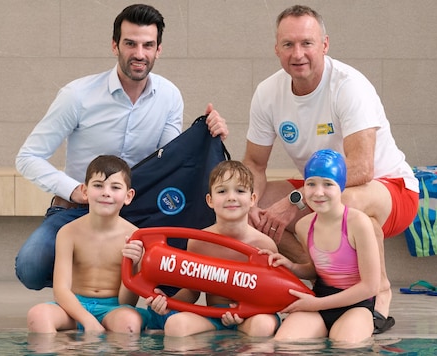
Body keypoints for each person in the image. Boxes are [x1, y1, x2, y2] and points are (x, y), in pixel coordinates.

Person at [15, 4, 228, 291]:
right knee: (31, 265)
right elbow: (28, 157)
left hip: (138, 211)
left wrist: (209, 136)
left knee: (174, 272)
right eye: (130, 43)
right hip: (78, 210)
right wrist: (74, 190)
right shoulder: (77, 96)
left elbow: (170, 162)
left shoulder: (169, 97)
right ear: (115, 45)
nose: (139, 54)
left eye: (147, 45)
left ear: (158, 49)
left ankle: (116, 292)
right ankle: (83, 286)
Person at [242, 4, 418, 333]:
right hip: (320, 187)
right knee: (259, 208)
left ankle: (378, 293)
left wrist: (294, 200)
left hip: (390, 189)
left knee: (343, 205)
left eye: (307, 43)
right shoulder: (268, 92)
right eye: (288, 44)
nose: (298, 54)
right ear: (276, 49)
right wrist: (249, 202)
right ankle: (319, 280)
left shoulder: (349, 86)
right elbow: (254, 163)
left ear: (324, 44)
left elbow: (361, 168)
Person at [123, 160, 280, 337]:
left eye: (240, 190)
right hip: (213, 314)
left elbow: (271, 293)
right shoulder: (199, 242)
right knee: (176, 325)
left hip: (252, 314)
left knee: (263, 326)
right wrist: (166, 302)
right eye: (222, 191)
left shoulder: (264, 245)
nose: (231, 197)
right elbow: (192, 290)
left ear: (252, 199)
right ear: (210, 200)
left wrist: (245, 312)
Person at [261, 149, 380, 344]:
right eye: (311, 184)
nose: (318, 192)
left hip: (355, 306)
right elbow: (315, 271)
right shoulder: (304, 225)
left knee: (344, 344)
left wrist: (316, 303)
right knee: (284, 342)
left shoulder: (358, 223)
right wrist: (289, 266)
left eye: (328, 184)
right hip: (318, 302)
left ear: (341, 187)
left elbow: (370, 286)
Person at [26, 155, 148, 333]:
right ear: (84, 191)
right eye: (98, 186)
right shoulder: (68, 233)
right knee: (38, 315)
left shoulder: (135, 238)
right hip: (73, 307)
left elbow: (126, 303)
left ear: (128, 196)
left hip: (112, 310)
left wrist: (135, 266)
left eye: (115, 187)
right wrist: (88, 320)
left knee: (129, 322)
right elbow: (60, 289)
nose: (106, 192)